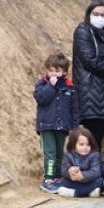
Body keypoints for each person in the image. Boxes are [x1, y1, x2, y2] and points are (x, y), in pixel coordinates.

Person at [71, 0, 104, 144]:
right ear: (89, 14)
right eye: (96, 14)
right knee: (91, 139)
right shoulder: (83, 31)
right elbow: (89, 61)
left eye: (103, 15)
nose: (100, 17)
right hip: (90, 94)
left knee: (100, 139)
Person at [33, 51, 79, 193]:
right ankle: (48, 179)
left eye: (57, 71)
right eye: (51, 70)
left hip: (63, 125)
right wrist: (51, 86)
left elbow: (74, 107)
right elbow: (41, 99)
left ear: (64, 71)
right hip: (47, 125)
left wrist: (75, 126)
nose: (53, 73)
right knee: (50, 152)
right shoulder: (42, 84)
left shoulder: (69, 86)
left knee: (60, 152)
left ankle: (58, 177)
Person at [54, 128, 103, 198]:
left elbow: (96, 171)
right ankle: (90, 192)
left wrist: (83, 176)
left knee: (100, 180)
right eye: (81, 144)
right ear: (73, 145)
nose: (85, 147)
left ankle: (75, 193)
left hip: (89, 181)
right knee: (64, 181)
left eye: (88, 145)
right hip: (74, 182)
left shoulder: (95, 155)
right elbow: (63, 170)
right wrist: (69, 172)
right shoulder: (68, 155)